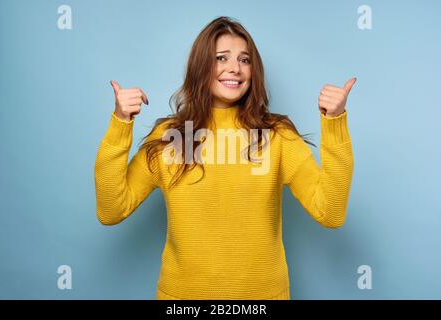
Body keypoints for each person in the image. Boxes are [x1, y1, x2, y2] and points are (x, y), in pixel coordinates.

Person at [94, 16, 355, 300]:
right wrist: (120, 123)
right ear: (200, 66)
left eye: (245, 60)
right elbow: (111, 210)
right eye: (221, 58)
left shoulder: (276, 136)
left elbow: (330, 213)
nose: (235, 68)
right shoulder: (172, 136)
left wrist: (334, 120)